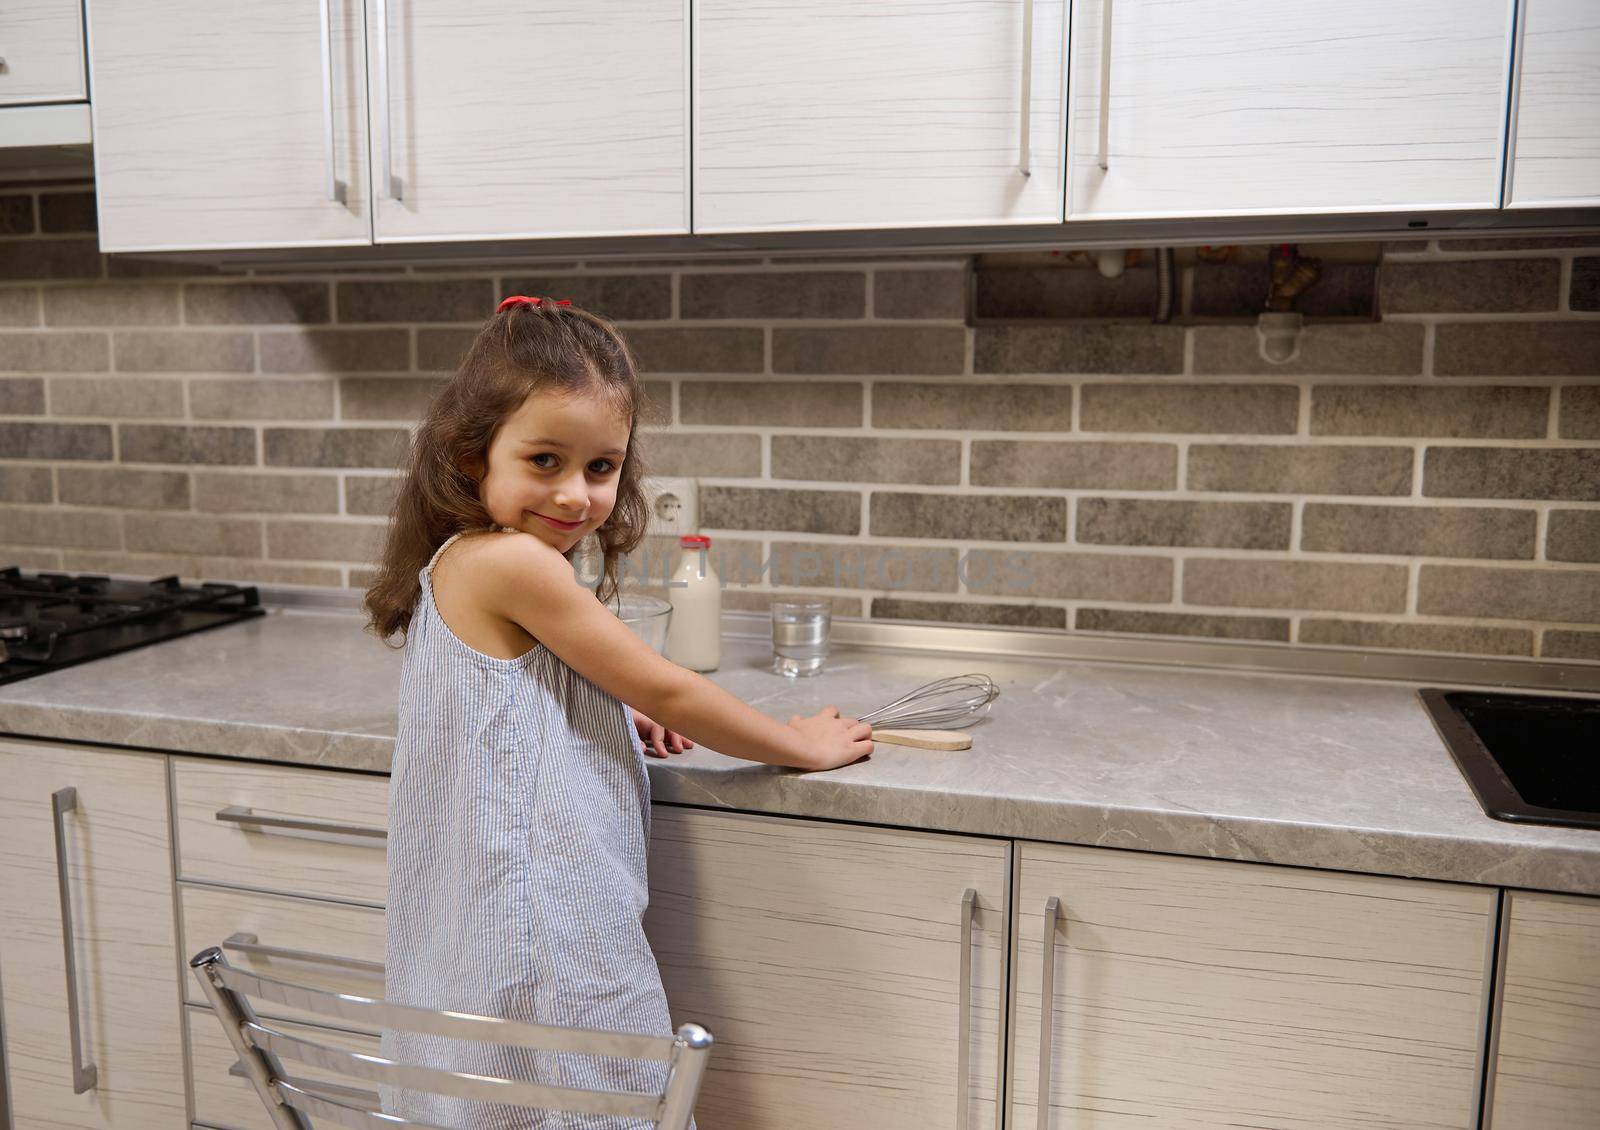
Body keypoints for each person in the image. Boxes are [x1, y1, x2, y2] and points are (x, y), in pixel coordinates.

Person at [363, 295, 873, 1128]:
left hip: (483, 925)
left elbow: (512, 706)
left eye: (601, 468)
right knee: (585, 1102)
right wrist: (797, 743)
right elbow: (666, 686)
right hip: (545, 927)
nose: (575, 494)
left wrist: (592, 714)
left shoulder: (461, 559)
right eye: (544, 461)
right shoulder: (517, 563)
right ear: (471, 456)